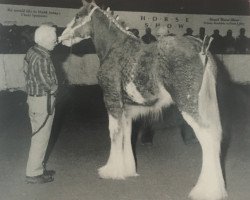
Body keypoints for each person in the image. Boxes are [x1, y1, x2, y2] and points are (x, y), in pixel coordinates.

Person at [24, 24, 58, 184]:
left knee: (37, 134)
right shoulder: (43, 58)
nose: (55, 41)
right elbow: (48, 84)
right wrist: (57, 88)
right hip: (43, 101)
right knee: (41, 138)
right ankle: (33, 173)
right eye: (53, 39)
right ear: (44, 40)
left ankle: (38, 167)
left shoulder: (32, 51)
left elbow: (24, 69)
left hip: (33, 99)